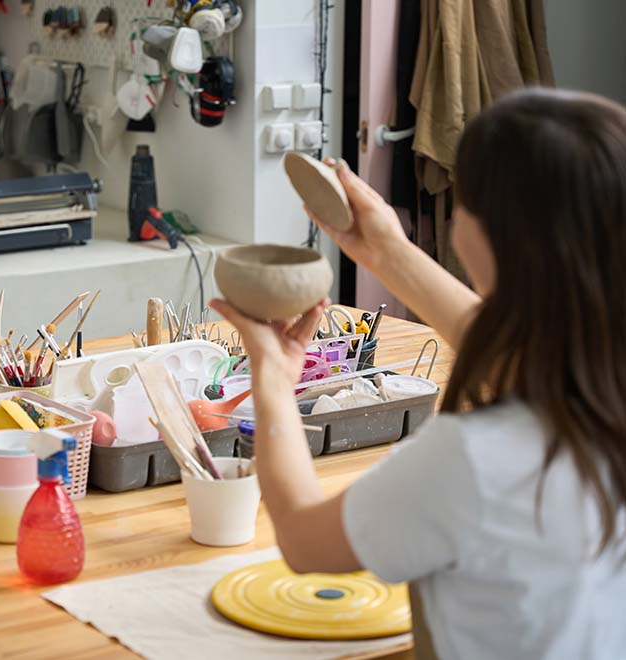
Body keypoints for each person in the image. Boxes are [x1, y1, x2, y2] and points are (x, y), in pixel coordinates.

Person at [211, 88, 626, 659]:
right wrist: (385, 252)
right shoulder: (600, 389)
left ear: (491, 236)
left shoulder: (474, 461)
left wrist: (275, 379)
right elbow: (515, 350)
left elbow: (307, 543)